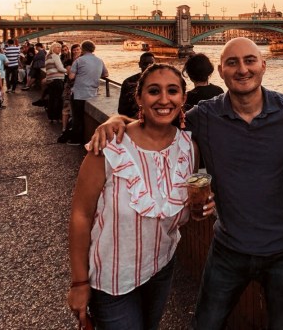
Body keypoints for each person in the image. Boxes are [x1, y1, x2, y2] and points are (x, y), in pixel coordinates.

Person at [89, 38, 283, 329]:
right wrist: (117, 121)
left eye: (249, 60)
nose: (242, 69)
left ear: (263, 66)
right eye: (232, 62)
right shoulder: (204, 116)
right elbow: (160, 118)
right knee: (205, 324)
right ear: (221, 71)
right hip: (228, 249)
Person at [67, 63, 214, 329]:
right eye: (154, 91)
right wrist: (78, 282)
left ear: (183, 98)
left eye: (172, 91)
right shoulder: (110, 146)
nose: (164, 99)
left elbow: (175, 207)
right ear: (139, 98)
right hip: (112, 280)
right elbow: (81, 215)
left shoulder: (188, 148)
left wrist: (196, 211)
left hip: (161, 267)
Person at [67, 40, 108, 146]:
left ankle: (76, 140)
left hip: (79, 93)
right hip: (93, 93)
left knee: (77, 117)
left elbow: (71, 77)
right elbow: (106, 74)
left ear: (83, 49)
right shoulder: (99, 60)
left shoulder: (78, 60)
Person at [117, 52, 155, 118]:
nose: (149, 66)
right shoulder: (128, 82)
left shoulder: (162, 82)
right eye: (145, 64)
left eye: (151, 64)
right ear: (139, 65)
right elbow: (122, 109)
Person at [44, 42, 67, 123]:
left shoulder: (47, 56)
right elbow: (60, 68)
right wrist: (68, 71)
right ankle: (57, 117)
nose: (59, 49)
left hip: (50, 80)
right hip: (57, 80)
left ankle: (51, 117)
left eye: (60, 48)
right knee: (58, 99)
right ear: (52, 48)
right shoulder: (55, 56)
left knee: (52, 99)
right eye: (57, 47)